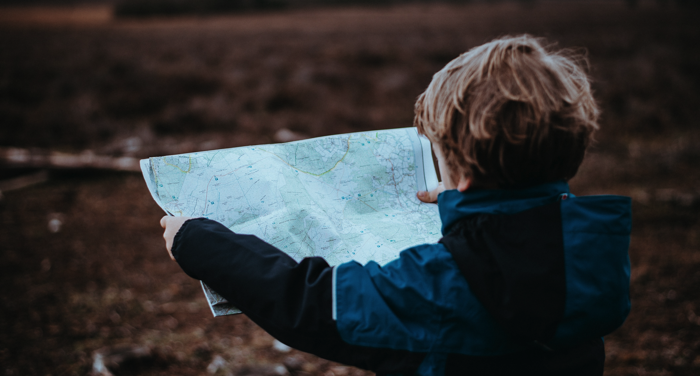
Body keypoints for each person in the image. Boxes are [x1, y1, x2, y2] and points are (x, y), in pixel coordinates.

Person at [160, 35, 631, 376]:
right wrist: (468, 204)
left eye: (440, 156)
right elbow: (522, 240)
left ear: (462, 172)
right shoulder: (593, 256)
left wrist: (199, 242)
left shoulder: (441, 284)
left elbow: (312, 305)